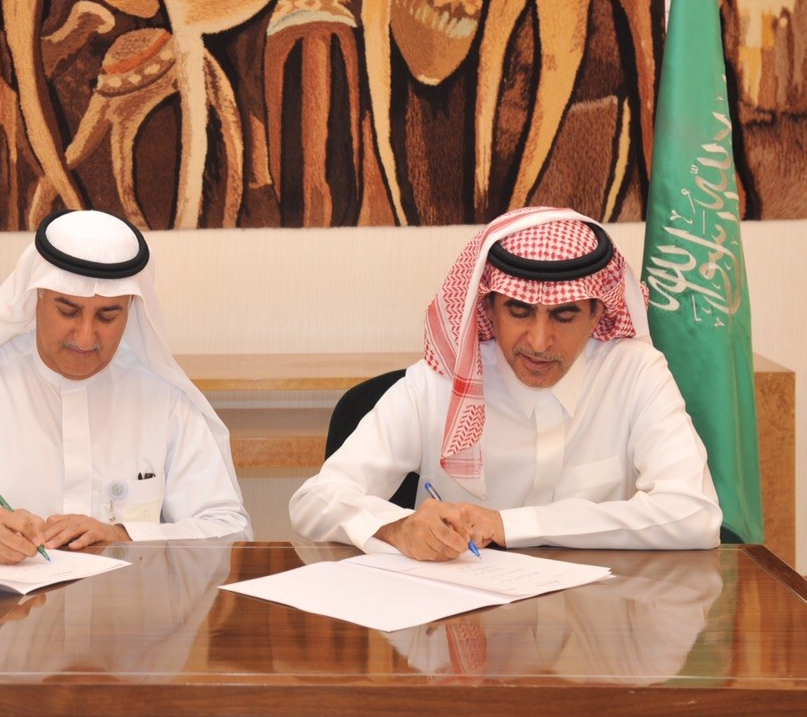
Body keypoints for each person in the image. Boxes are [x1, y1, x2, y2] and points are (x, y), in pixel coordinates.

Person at [290, 206, 722, 559]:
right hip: (459, 623)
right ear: (489, 308)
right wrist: (395, 527)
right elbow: (314, 502)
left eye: (564, 315)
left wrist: (508, 524)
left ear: (596, 314)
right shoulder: (436, 386)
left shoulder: (635, 375)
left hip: (595, 629)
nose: (539, 341)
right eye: (518, 311)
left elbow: (695, 515)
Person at [0, 209, 251, 562]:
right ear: (36, 297)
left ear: (131, 308)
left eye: (107, 317)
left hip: (120, 626)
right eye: (68, 311)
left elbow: (230, 528)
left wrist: (123, 535)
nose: (85, 338)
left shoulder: (164, 399)